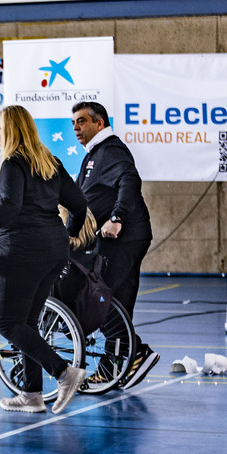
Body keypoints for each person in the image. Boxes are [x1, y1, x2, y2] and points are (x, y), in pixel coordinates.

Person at [0, 105, 88, 415]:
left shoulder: (14, 164)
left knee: (8, 323)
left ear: (12, 130)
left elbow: (10, 208)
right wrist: (67, 236)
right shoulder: (49, 162)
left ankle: (64, 373)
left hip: (23, 252)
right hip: (54, 251)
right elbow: (80, 204)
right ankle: (31, 393)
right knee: (27, 323)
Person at [71, 100, 158, 388]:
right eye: (73, 124)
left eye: (82, 122)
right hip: (121, 239)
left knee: (98, 296)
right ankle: (115, 366)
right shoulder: (94, 154)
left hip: (122, 238)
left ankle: (136, 352)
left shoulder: (111, 149)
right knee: (116, 299)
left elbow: (130, 180)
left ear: (100, 123)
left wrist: (117, 217)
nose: (76, 128)